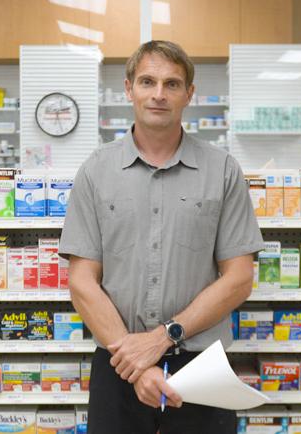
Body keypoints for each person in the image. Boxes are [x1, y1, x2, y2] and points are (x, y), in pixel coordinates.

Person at [59, 40, 266, 434]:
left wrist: (161, 338)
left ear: (189, 94)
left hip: (201, 366)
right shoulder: (96, 171)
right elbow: (82, 282)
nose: (158, 94)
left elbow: (239, 278)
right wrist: (137, 365)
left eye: (172, 84)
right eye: (147, 81)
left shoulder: (222, 169)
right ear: (128, 88)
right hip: (118, 362)